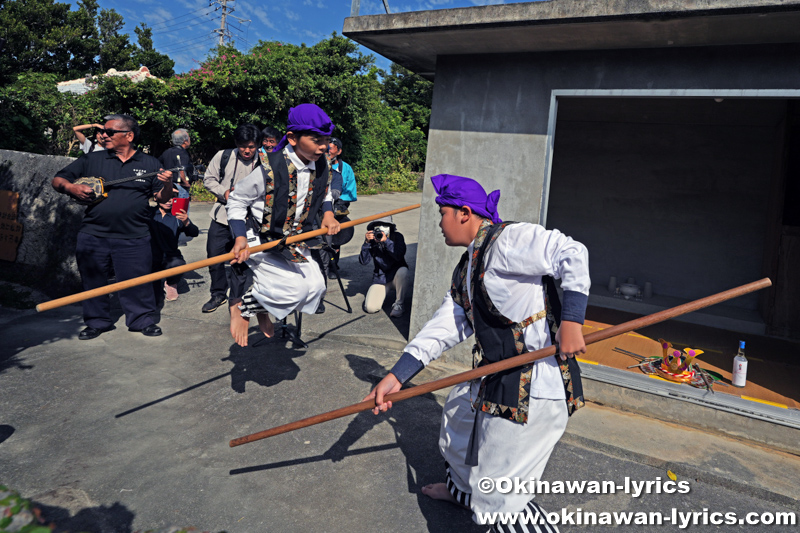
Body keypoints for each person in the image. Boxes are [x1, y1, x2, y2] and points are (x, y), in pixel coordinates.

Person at [364, 174, 590, 533]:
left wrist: (572, 322)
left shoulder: (509, 240)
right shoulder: (467, 267)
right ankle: (463, 492)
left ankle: (492, 506)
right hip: (494, 375)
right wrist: (396, 377)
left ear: (464, 213)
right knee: (456, 424)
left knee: (499, 501)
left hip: (533, 383)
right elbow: (445, 327)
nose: (439, 223)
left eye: (443, 213)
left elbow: (572, 252)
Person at [225, 103, 340, 347]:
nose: (323, 146)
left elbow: (325, 190)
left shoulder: (322, 164)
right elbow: (236, 200)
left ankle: (263, 307)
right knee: (294, 290)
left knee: (317, 288)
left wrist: (328, 214)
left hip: (296, 239)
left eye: (326, 139)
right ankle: (242, 307)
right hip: (264, 240)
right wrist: (239, 238)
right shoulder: (269, 167)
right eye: (316, 139)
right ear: (292, 138)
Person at [52, 114, 173, 339]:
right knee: (93, 281)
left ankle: (142, 320)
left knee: (137, 281)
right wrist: (71, 188)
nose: (103, 135)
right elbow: (58, 180)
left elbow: (161, 197)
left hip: (134, 236)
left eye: (109, 132)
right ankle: (97, 322)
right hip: (93, 234)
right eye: (103, 131)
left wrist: (168, 184)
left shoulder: (150, 163)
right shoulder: (92, 159)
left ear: (128, 136)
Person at [201, 124, 262, 313]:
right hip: (222, 216)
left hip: (248, 221)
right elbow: (208, 179)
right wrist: (224, 192)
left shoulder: (264, 161)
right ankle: (218, 293)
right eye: (243, 146)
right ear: (237, 144)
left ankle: (237, 297)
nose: (247, 150)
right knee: (214, 257)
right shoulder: (223, 156)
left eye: (251, 146)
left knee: (241, 260)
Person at [149, 188, 199, 304]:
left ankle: (171, 283)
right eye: (165, 197)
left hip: (170, 256)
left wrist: (186, 222)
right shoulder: (148, 213)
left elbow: (194, 232)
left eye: (172, 197)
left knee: (178, 264)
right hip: (151, 257)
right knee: (154, 300)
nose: (169, 200)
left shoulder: (177, 216)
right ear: (156, 197)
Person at [359, 215, 408, 318]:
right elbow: (363, 261)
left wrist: (386, 241)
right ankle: (383, 293)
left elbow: (399, 255)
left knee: (403, 271)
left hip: (396, 276)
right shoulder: (372, 241)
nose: (381, 229)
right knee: (370, 308)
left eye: (385, 226)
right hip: (381, 279)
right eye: (377, 226)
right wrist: (367, 243)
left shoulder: (397, 237)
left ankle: (399, 304)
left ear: (390, 227)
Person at [158, 129, 194, 198]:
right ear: (184, 140)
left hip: (168, 187)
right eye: (189, 137)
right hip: (180, 187)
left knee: (170, 208)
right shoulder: (183, 153)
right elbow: (181, 169)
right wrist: (186, 183)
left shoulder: (167, 152)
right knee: (181, 208)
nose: (190, 139)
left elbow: (158, 165)